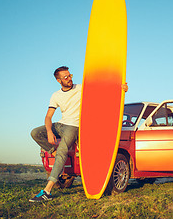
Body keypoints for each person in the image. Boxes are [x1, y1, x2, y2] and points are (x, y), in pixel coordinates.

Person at [29, 66, 128, 202]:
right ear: (59, 81)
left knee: (63, 150)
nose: (70, 79)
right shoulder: (56, 95)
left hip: (74, 126)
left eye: (70, 75)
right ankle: (54, 152)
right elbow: (48, 117)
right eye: (66, 77)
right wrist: (49, 131)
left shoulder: (81, 88)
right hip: (60, 124)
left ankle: (47, 191)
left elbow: (104, 90)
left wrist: (120, 88)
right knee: (35, 133)